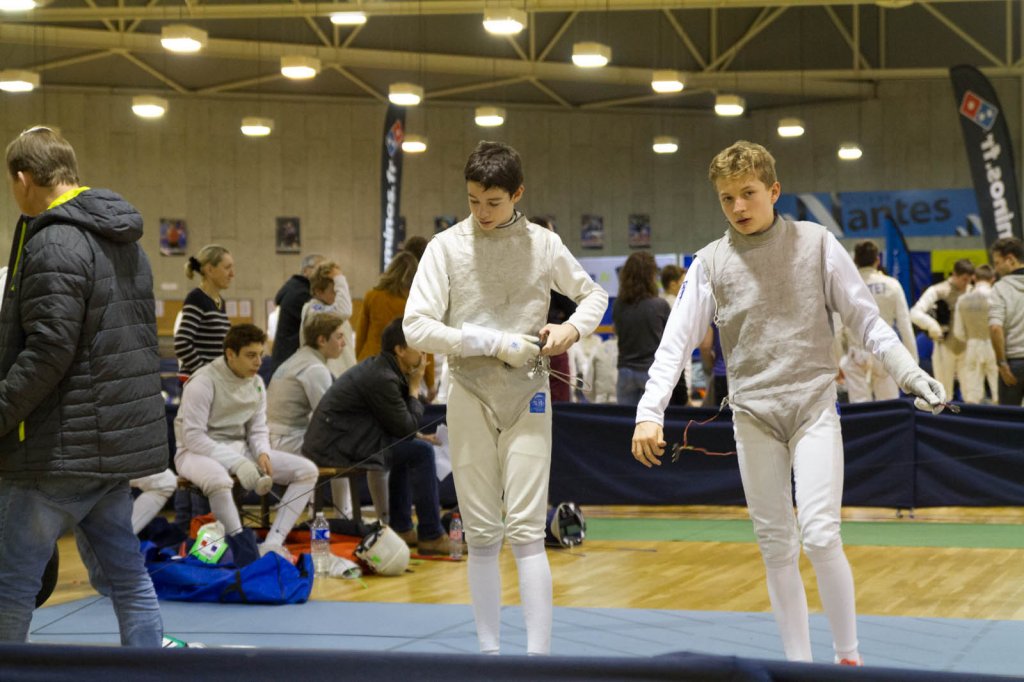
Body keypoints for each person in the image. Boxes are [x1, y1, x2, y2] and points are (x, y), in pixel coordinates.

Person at [631, 140, 945, 666]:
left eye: (748, 193)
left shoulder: (817, 243)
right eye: (727, 197)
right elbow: (675, 343)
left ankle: (848, 658)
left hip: (813, 407)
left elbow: (866, 319)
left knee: (820, 535)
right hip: (752, 415)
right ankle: (798, 666)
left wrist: (909, 372)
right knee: (776, 545)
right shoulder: (709, 263)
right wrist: (648, 412)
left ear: (774, 190)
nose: (738, 206)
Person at [403, 141, 608, 655]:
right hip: (468, 393)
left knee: (526, 530)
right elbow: (416, 326)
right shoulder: (445, 247)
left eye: (493, 202)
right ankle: (489, 655)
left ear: (517, 194)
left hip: (528, 394)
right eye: (473, 201)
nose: (482, 212)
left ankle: (538, 659)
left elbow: (594, 296)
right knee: (480, 532)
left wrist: (570, 329)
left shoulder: (543, 244)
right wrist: (492, 342)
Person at [0, 126, 166, 645]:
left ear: (23, 179)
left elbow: (48, 351)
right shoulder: (124, 240)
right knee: (128, 580)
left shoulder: (54, 240)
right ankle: (151, 672)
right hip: (110, 449)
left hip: (56, 452)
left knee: (11, 588)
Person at [174, 324, 319, 564]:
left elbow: (258, 428)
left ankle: (273, 543)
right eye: (251, 355)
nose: (258, 362)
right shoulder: (203, 382)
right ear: (230, 354)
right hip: (193, 453)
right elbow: (194, 437)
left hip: (238, 449)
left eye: (260, 354)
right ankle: (243, 549)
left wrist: (262, 453)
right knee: (219, 481)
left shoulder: (257, 383)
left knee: (307, 471)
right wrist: (238, 463)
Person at [303, 318, 449, 555]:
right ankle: (431, 535)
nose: (424, 354)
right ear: (400, 350)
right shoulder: (382, 376)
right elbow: (405, 426)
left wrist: (417, 434)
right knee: (420, 452)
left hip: (346, 440)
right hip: (335, 448)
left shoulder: (385, 369)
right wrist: (414, 387)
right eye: (418, 347)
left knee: (412, 448)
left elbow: (398, 423)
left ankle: (402, 527)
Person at [266, 312, 353, 517]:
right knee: (343, 452)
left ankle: (323, 514)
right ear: (322, 340)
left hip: (275, 439)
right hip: (286, 442)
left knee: (334, 445)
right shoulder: (314, 368)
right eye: (339, 337)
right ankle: (345, 517)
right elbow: (328, 418)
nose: (343, 343)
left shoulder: (298, 359)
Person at [838, 241, 918, 402]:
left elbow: (836, 329)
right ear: (877, 260)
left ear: (855, 261)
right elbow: (905, 325)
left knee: (860, 411)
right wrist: (913, 362)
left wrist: (836, 362)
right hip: (885, 353)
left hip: (856, 355)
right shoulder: (892, 285)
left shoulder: (845, 287)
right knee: (889, 408)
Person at [356, 251, 436, 400]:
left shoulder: (371, 296)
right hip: (399, 367)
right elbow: (425, 344)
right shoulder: (415, 303)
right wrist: (430, 383)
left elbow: (360, 336)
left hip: (369, 362)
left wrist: (359, 362)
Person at [613, 251, 672, 406]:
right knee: (652, 419)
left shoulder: (618, 305)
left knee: (625, 419)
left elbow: (618, 333)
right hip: (652, 372)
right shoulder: (660, 305)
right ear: (651, 276)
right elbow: (670, 342)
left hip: (625, 371)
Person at [910, 258, 974, 398]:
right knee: (944, 394)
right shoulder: (938, 290)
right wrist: (932, 325)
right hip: (944, 346)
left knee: (971, 395)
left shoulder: (972, 292)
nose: (966, 283)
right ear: (954, 275)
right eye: (964, 279)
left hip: (967, 348)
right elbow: (914, 313)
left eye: (969, 280)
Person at [174, 244, 234, 378]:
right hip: (198, 382)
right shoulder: (197, 298)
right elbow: (182, 343)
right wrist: (205, 374)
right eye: (227, 268)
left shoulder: (220, 301)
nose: (232, 274)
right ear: (210, 270)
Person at [299, 261, 357, 377]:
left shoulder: (331, 309)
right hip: (328, 375)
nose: (339, 296)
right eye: (335, 291)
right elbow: (345, 310)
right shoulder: (314, 310)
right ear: (318, 291)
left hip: (344, 374)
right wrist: (339, 278)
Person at [953, 264, 999, 403]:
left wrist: (971, 338)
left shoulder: (962, 300)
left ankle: (975, 417)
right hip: (995, 345)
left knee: (973, 394)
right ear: (993, 279)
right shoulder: (997, 297)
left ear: (974, 278)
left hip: (972, 345)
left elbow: (958, 332)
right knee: (999, 391)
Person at [271, 254, 325, 369]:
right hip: (290, 360)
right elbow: (322, 315)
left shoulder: (296, 288)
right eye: (320, 269)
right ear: (306, 271)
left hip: (287, 358)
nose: (324, 274)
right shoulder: (300, 293)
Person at [989, 237, 1024, 406]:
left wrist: (1001, 363)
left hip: (1013, 364)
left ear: (1010, 259)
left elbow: (996, 328)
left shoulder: (1000, 288)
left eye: (997, 263)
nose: (995, 269)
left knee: (1009, 418)